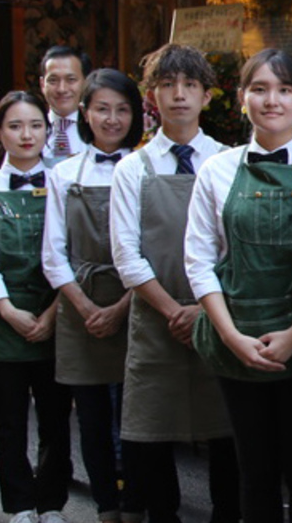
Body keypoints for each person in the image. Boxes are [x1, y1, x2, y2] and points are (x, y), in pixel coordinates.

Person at [185, 48, 292, 523]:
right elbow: (198, 260)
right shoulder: (216, 170)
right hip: (239, 340)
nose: (270, 100)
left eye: (282, 90)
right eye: (259, 89)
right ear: (241, 99)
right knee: (254, 473)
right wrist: (232, 337)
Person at [109, 44, 239, 523]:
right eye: (167, 85)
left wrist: (205, 310)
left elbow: (234, 248)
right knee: (151, 438)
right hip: (155, 320)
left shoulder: (229, 162)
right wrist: (173, 312)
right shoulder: (132, 169)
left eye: (190, 85)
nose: (179, 95)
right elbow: (127, 256)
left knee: (226, 435)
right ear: (152, 96)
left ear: (208, 95)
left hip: (220, 317)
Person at [42, 69, 145, 523]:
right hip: (79, 307)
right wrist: (86, 308)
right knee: (91, 416)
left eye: (122, 109)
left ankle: (138, 500)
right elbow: (52, 255)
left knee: (138, 413)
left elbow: (155, 248)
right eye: (102, 108)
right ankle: (105, 505)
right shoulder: (64, 173)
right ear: (84, 113)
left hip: (136, 303)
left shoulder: (145, 169)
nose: (112, 118)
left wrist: (123, 307)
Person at [0, 91, 74, 523]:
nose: (26, 134)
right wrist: (9, 310)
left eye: (35, 125)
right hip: (0, 323)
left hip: (56, 317)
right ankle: (18, 506)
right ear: (0, 135)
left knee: (54, 421)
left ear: (47, 132)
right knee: (9, 423)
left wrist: (52, 314)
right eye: (15, 126)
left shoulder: (65, 183)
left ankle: (51, 504)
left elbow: (72, 254)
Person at [39, 46, 92, 166]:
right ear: (42, 84)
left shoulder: (97, 129)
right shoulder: (31, 130)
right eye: (53, 80)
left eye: (71, 80)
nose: (62, 89)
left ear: (86, 82)